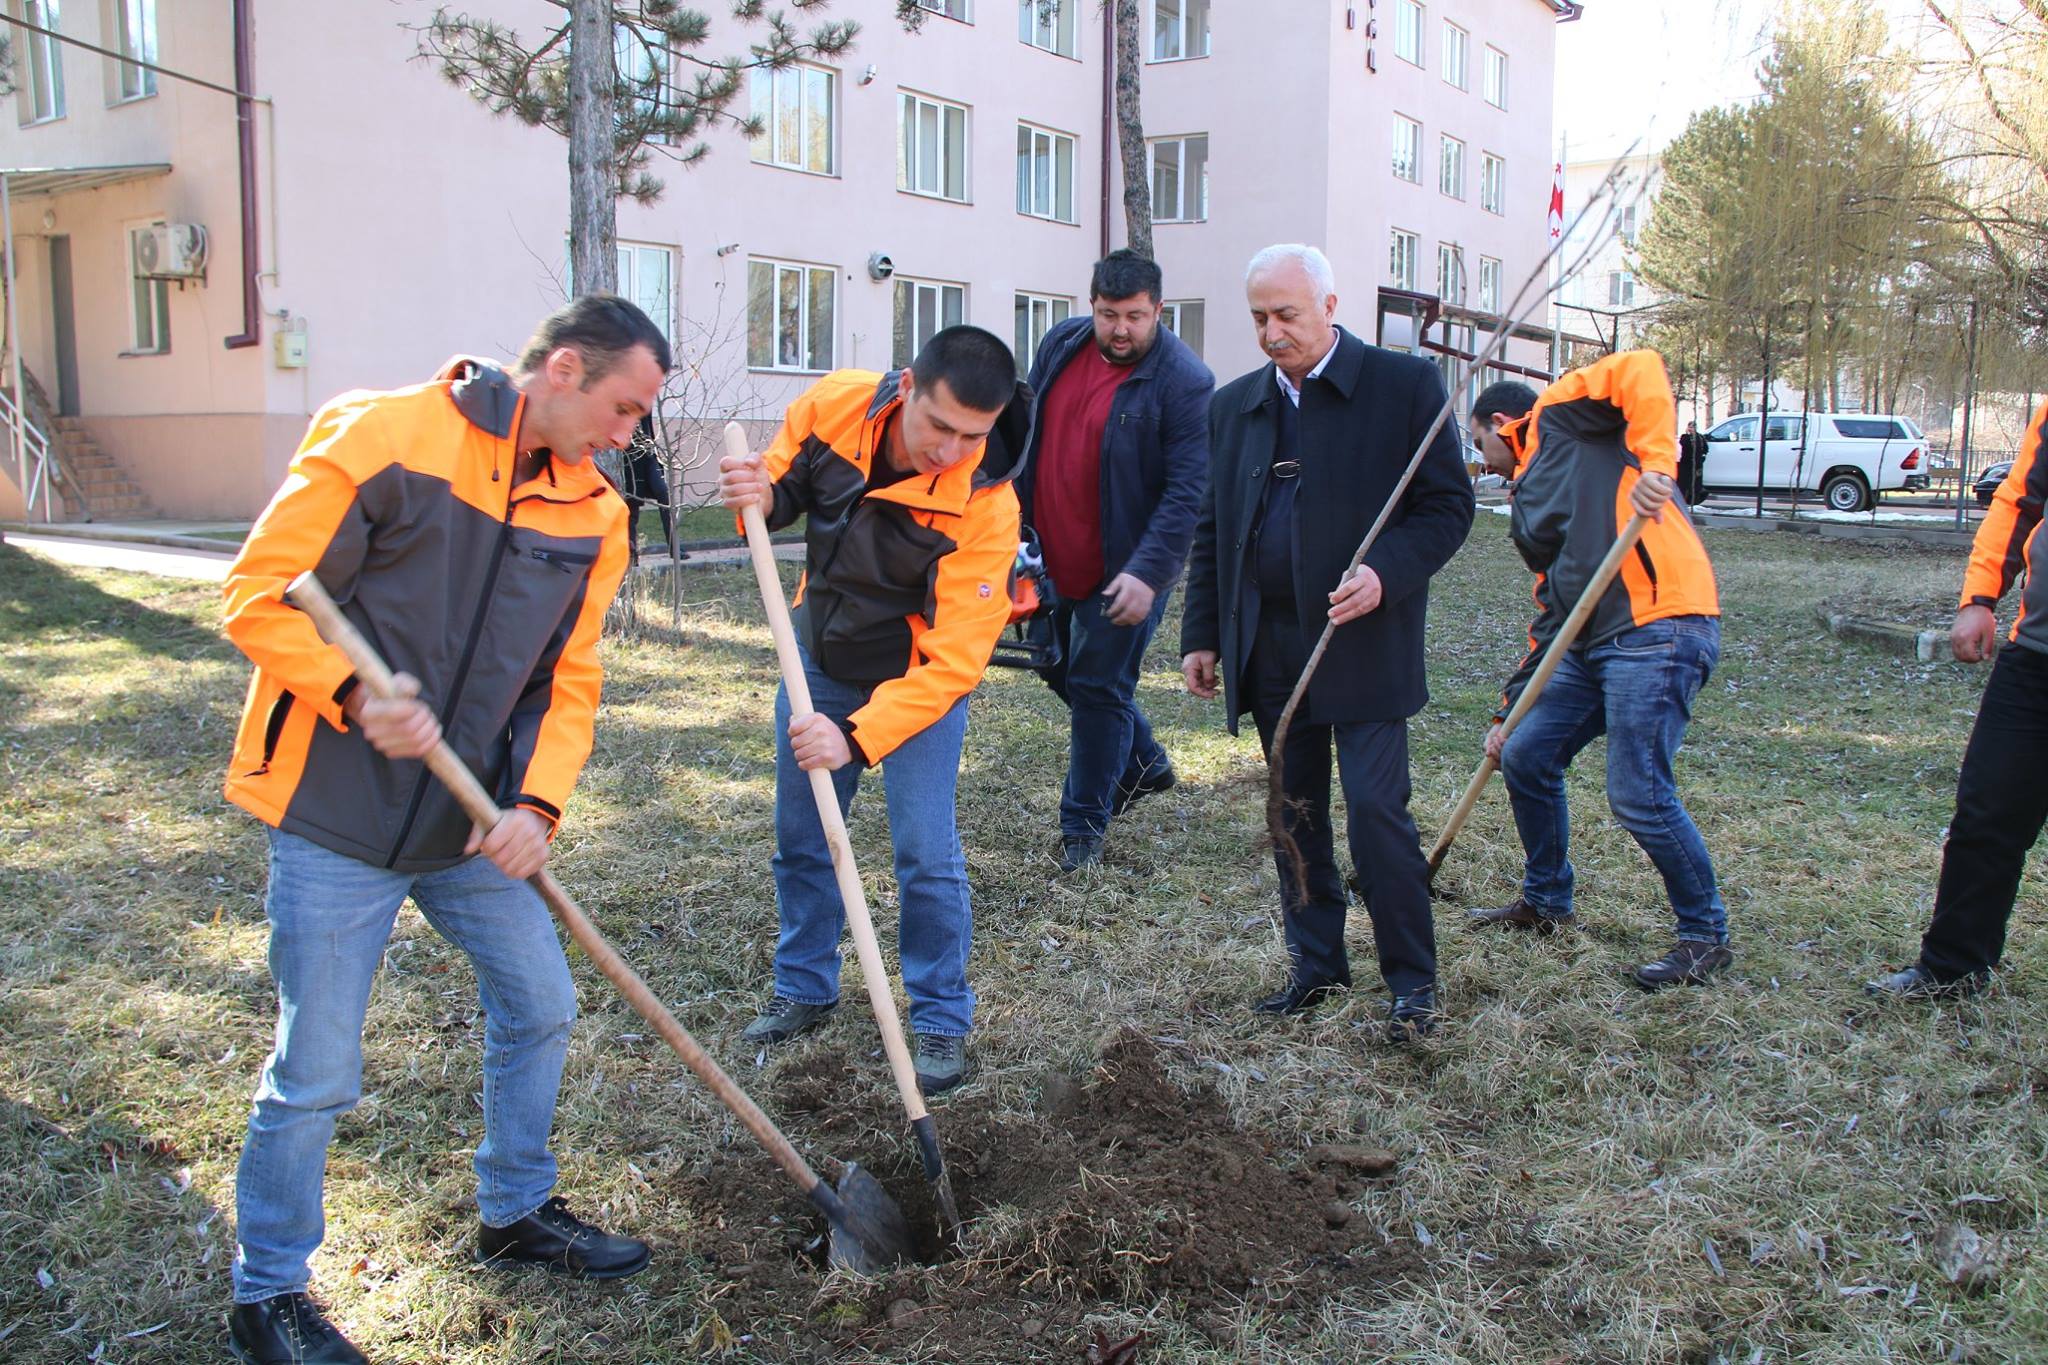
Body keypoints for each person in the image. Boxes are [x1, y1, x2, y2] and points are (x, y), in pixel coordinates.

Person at [219, 295, 670, 1364]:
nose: (627, 436)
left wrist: (536, 806)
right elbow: (258, 595)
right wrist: (351, 693)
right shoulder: (384, 433)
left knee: (541, 1004)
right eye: (623, 408)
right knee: (317, 1066)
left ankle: (513, 1211)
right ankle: (268, 1292)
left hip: (471, 820)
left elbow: (568, 681)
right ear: (564, 368)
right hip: (335, 813)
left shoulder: (594, 515)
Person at [717, 326, 1026, 1094]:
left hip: (917, 687)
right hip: (820, 659)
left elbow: (954, 661)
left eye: (974, 436)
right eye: (940, 426)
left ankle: (941, 1014)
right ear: (907, 386)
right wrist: (760, 493)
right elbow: (784, 485)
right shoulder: (837, 404)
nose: (951, 450)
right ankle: (805, 983)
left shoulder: (986, 505)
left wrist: (855, 737)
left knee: (925, 851)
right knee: (803, 836)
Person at [1180, 244, 1474, 1041]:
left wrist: (1385, 572)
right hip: (1270, 647)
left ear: (1331, 306)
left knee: (1377, 814)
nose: (1272, 332)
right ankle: (1316, 966)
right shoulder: (1235, 405)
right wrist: (1203, 633)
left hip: (1363, 643)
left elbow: (1448, 507)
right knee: (1294, 812)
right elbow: (1214, 528)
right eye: (1259, 318)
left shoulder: (1403, 387)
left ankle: (1412, 983)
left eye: (1287, 315)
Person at [1465, 353, 1730, 989]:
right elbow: (1553, 612)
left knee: (1638, 793)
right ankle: (1546, 902)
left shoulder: (1564, 415)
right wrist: (1508, 715)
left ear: (1500, 423)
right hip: (1588, 644)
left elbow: (1640, 369)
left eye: (1478, 443)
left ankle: (1704, 936)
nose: (1481, 461)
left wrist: (1658, 466)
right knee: (1525, 755)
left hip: (1658, 624)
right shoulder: (1527, 500)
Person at [1015, 249, 1214, 871]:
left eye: (1134, 316)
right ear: (1092, 305)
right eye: (1108, 314)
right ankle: (1145, 762)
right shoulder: (1062, 343)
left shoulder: (1185, 381)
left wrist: (1148, 574)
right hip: (1049, 555)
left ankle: (1082, 830)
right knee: (1053, 664)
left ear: (1158, 309)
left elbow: (1187, 493)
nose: (1120, 329)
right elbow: (1026, 433)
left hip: (1127, 567)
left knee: (1099, 687)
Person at [1866, 399, 2048, 999]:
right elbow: (2018, 503)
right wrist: (1979, 598)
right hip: (2036, 656)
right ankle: (1952, 968)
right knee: (1987, 813)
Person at [1678, 419, 1707, 504]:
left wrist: (1701, 458)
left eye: (1692, 427)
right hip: (1686, 464)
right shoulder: (1685, 437)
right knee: (1684, 483)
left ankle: (1694, 501)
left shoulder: (1700, 438)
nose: (1690, 429)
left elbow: (1705, 449)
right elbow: (1683, 444)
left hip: (1697, 464)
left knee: (1696, 483)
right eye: (1689, 427)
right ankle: (1683, 500)